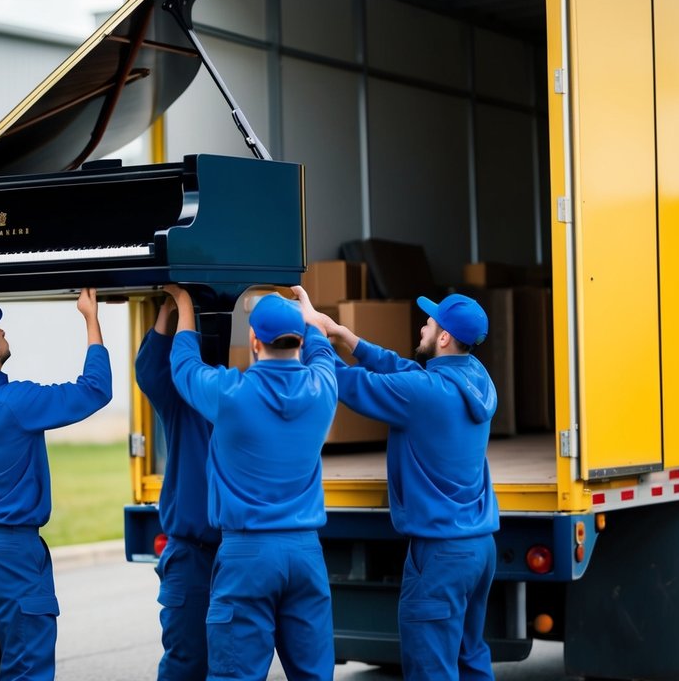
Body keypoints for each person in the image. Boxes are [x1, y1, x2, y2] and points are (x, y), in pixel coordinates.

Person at [296, 287, 499, 681]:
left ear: (443, 338)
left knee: (431, 669)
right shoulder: (476, 380)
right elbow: (403, 370)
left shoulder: (424, 393)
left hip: (441, 555)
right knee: (470, 656)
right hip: (480, 549)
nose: (423, 324)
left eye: (430, 321)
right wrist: (345, 335)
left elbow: (346, 383)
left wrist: (314, 334)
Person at [163, 284, 338, 681]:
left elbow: (184, 366)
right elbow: (323, 349)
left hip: (248, 555)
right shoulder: (324, 388)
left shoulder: (232, 394)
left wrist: (185, 305)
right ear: (299, 340)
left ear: (254, 340)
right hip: (306, 554)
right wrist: (309, 316)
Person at [0, 290, 112, 681]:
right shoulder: (16, 402)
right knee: (25, 667)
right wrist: (90, 318)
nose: (0, 329)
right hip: (12, 553)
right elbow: (95, 390)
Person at [135, 297, 220, 681]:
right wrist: (169, 310)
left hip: (237, 553)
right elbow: (149, 372)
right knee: (186, 661)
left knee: (231, 662)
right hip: (191, 555)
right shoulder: (182, 403)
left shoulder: (239, 396)